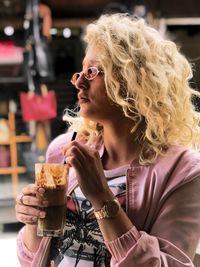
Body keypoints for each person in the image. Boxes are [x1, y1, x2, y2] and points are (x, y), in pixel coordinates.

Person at [15, 13, 200, 267]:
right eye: (79, 71)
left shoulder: (183, 171)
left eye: (91, 71)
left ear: (133, 79)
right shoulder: (63, 150)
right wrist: (31, 221)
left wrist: (101, 197)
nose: (78, 82)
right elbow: (33, 259)